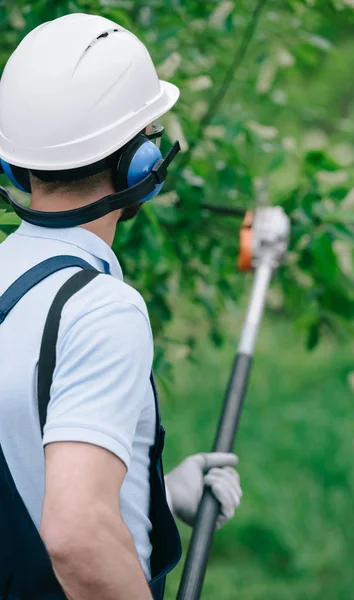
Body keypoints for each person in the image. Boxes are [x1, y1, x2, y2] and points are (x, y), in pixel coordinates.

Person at [0, 13, 242, 600]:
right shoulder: (100, 310)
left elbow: (25, 437)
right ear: (139, 166)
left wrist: (151, 487)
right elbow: (77, 532)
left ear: (13, 163)